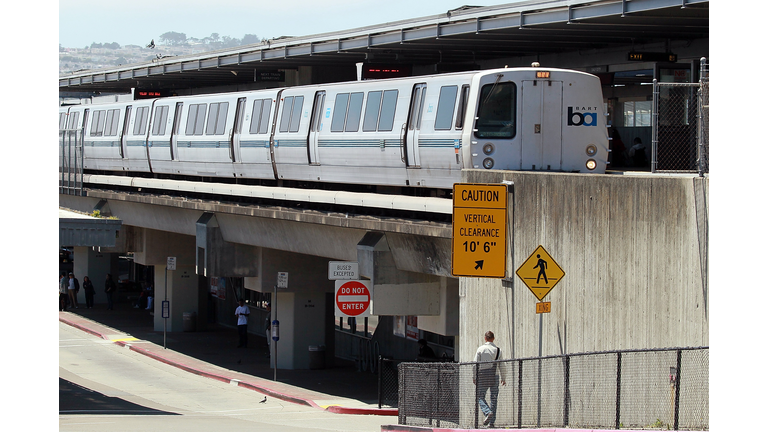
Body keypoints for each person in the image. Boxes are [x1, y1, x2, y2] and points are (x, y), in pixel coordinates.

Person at [474, 331, 507, 427]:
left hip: (483, 375)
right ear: (493, 338)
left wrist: (474, 376)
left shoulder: (480, 349)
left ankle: (487, 412)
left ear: (485, 338)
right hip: (495, 375)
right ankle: (492, 422)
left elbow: (475, 364)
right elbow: (502, 365)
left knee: (480, 396)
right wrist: (503, 378)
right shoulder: (498, 350)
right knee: (494, 398)